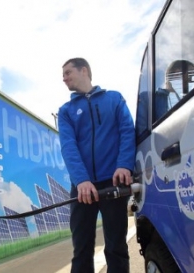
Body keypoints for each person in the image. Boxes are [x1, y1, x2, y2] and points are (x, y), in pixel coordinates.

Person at [57, 57, 136, 273]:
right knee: (81, 250)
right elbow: (68, 146)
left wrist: (124, 165)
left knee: (116, 248)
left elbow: (127, 131)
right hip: (82, 188)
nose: (63, 78)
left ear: (84, 71)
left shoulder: (114, 99)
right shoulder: (66, 111)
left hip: (114, 183)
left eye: (67, 73)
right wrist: (81, 180)